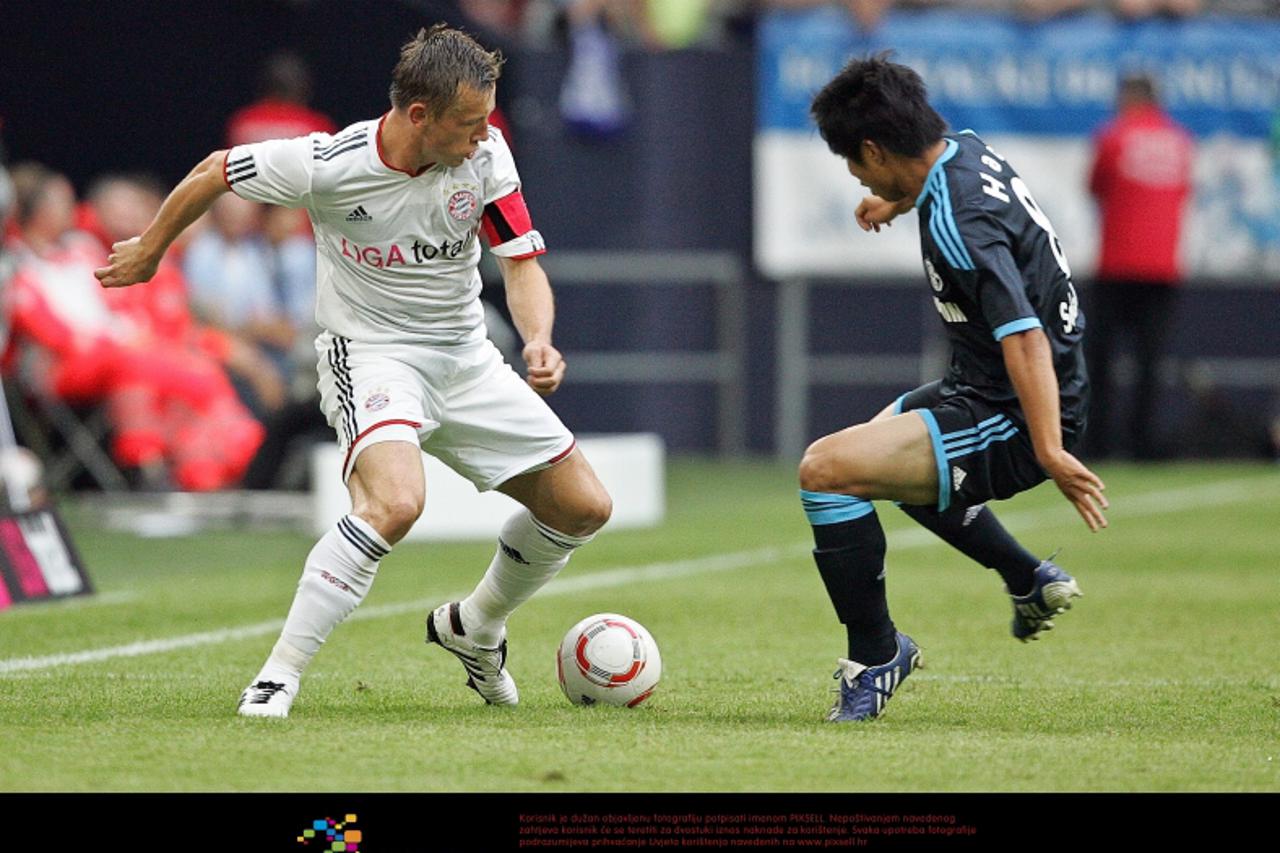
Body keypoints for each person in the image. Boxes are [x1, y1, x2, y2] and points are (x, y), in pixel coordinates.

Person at [96, 24, 613, 719]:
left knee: (583, 506)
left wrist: (540, 339)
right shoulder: (328, 164)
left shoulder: (486, 157)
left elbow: (521, 263)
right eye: (468, 124)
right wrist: (153, 249)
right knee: (396, 503)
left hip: (464, 357)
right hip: (370, 353)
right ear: (419, 116)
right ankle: (277, 675)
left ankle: (475, 624)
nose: (481, 137)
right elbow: (216, 169)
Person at [800, 55, 1107, 722]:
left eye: (854, 161)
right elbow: (939, 185)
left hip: (1015, 407)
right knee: (873, 459)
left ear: (876, 148)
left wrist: (1049, 450)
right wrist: (896, 199)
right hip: (990, 385)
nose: (852, 173)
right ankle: (1027, 576)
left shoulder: (959, 221)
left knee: (826, 471)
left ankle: (877, 655)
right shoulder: (962, 150)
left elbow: (1022, 336)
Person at [1085, 73, 1193, 460]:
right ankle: (1143, 445)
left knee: (1100, 360)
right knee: (1150, 361)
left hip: (1117, 263)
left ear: (1130, 98)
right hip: (1162, 267)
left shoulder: (1113, 137)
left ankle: (1097, 443)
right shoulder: (1180, 141)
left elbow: (1095, 187)